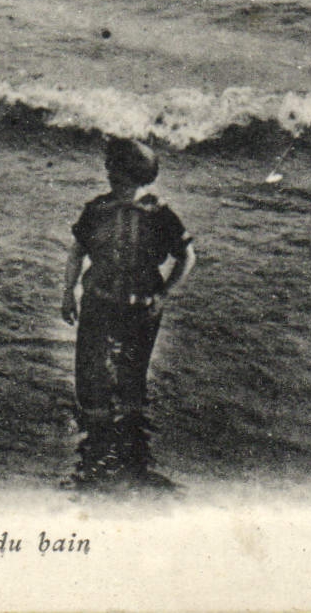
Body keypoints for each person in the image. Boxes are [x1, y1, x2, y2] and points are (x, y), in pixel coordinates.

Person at [60, 137, 196, 490]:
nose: (111, 174)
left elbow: (187, 256)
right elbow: (77, 253)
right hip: (101, 302)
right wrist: (68, 293)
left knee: (130, 377)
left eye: (117, 168)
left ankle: (117, 449)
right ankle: (102, 441)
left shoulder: (160, 214)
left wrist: (164, 292)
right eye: (111, 167)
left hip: (139, 308)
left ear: (132, 174)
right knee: (91, 376)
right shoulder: (97, 210)